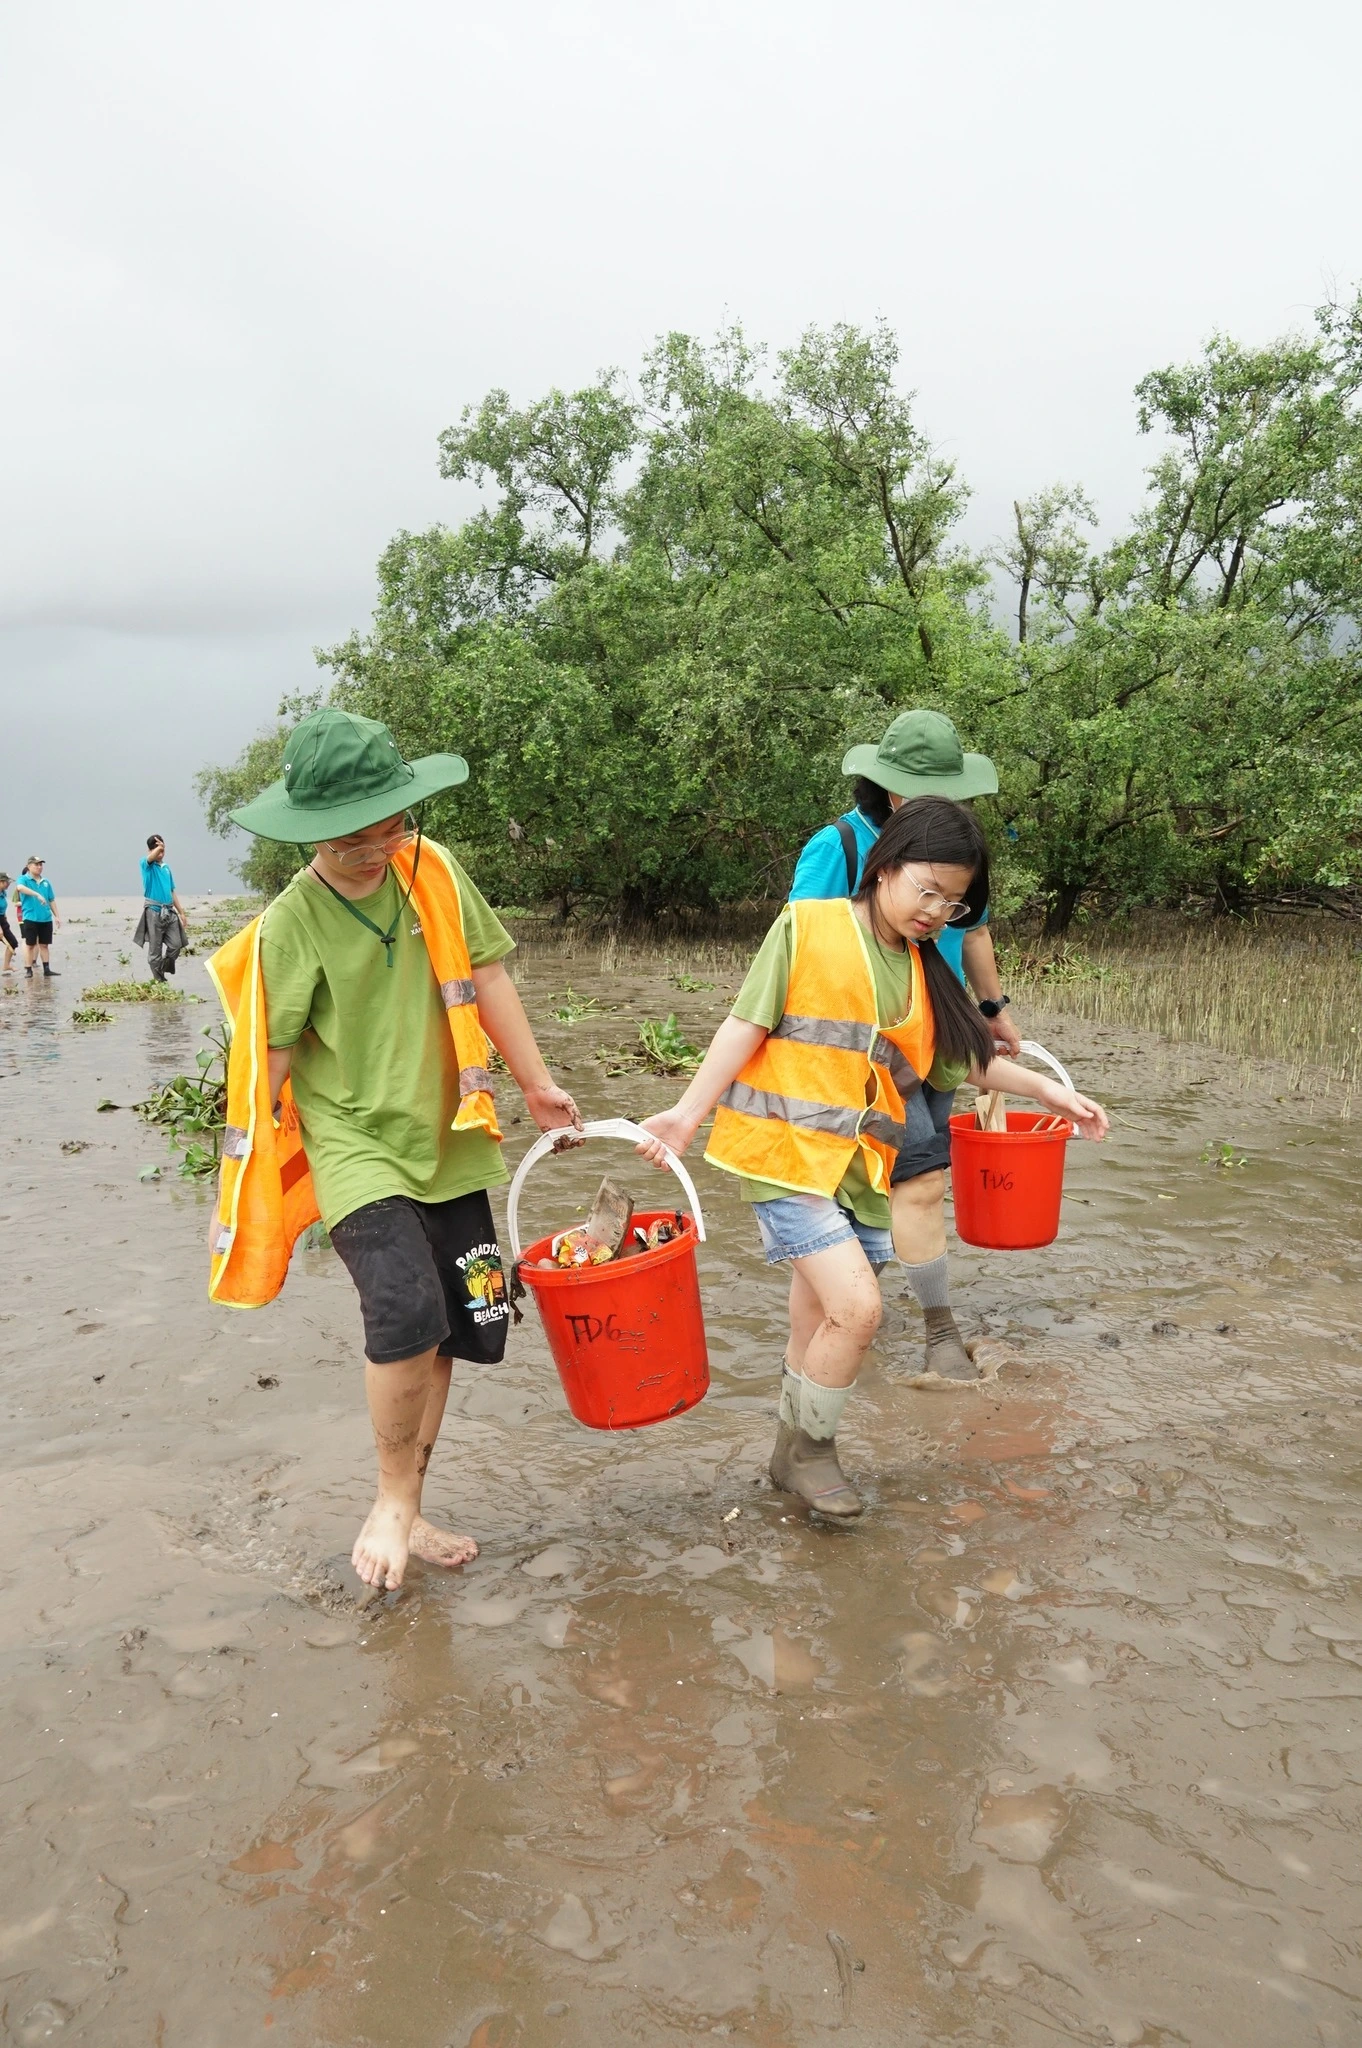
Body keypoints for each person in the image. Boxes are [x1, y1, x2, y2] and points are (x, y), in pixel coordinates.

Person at [637, 797, 1108, 1519]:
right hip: (783, 1155)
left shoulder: (922, 971)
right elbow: (744, 1023)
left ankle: (785, 1454)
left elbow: (963, 1062)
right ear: (885, 865)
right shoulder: (807, 926)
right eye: (927, 889)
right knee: (858, 1309)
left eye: (953, 902)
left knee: (813, 1322)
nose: (935, 911)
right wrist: (686, 1114)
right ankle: (816, 1457)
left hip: (857, 1172)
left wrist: (1050, 1091)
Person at [206, 707, 582, 1595]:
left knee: (463, 1321)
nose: (377, 850)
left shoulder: (434, 872)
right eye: (353, 841)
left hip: (450, 1135)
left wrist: (534, 1083)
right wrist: (246, 1160)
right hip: (355, 1144)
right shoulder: (291, 923)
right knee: (405, 1308)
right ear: (311, 833)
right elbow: (275, 1050)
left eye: (392, 829)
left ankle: (410, 1506)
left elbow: (487, 975)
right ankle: (385, 1499)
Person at [791, 709, 1021, 1051]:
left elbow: (973, 931)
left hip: (944, 1029)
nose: (934, 804)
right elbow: (799, 948)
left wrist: (992, 1009)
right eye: (918, 793)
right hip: (864, 1039)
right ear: (884, 788)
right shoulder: (840, 846)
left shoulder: (959, 849)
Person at [135, 834, 189, 980]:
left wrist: (182, 913)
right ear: (150, 850)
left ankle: (163, 968)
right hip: (154, 912)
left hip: (169, 912)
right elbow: (150, 858)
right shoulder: (146, 865)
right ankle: (159, 980)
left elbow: (172, 891)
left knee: (176, 945)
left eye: (163, 850)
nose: (160, 853)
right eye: (157, 850)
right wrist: (159, 847)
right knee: (155, 950)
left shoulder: (166, 868)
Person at [13, 856, 59, 976]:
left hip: (45, 918)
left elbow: (52, 900)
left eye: (41, 865)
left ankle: (47, 969)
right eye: (36, 864)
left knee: (44, 944)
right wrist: (37, 894)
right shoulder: (23, 879)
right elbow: (20, 888)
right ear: (29, 866)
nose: (39, 867)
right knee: (30, 944)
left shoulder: (46, 882)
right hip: (30, 918)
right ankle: (28, 969)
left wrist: (57, 916)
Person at [0, 874, 17, 970]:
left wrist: (4, 918)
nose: (8, 884)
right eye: (7, 882)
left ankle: (6, 965)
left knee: (12, 942)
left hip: (2, 919)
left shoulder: (3, 893)